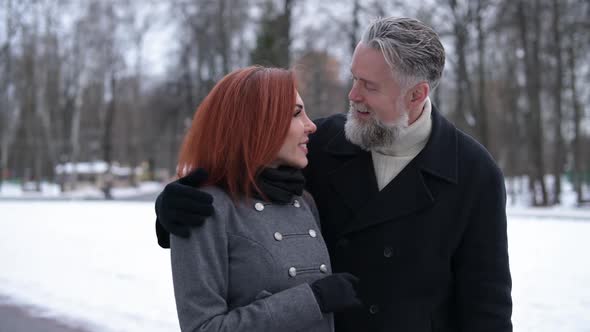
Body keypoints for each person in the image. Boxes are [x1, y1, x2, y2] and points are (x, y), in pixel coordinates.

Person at [157, 17, 513, 331]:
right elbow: (238, 180)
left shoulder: (472, 172)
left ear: (416, 94)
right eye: (354, 78)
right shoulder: (321, 144)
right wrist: (171, 208)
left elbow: (487, 304)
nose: (353, 95)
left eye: (370, 86)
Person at [165, 66, 362, 332]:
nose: (311, 125)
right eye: (296, 113)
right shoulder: (203, 208)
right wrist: (312, 299)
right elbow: (203, 327)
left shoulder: (302, 200)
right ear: (256, 123)